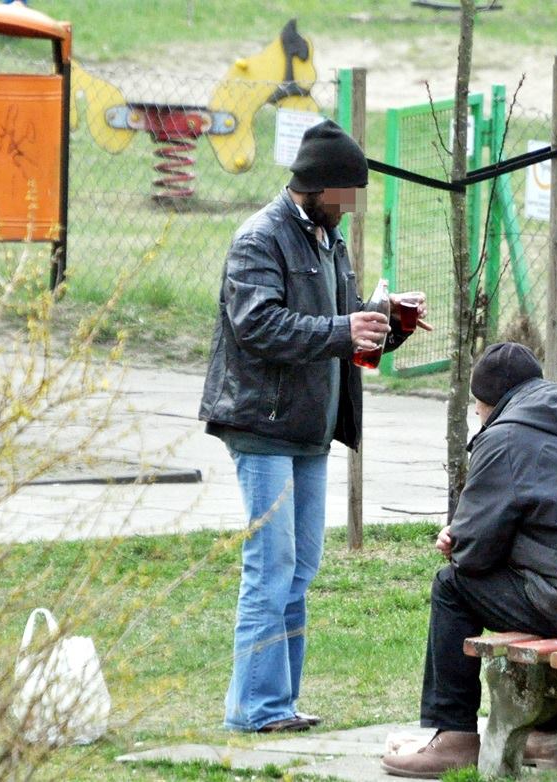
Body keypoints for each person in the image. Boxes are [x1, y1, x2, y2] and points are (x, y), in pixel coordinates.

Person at [199, 119, 427, 734]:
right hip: (262, 423)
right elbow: (258, 325)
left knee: (300, 571)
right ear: (319, 186)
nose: (352, 207)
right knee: (270, 568)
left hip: (310, 427)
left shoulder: (329, 239)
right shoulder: (259, 239)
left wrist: (387, 321)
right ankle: (255, 709)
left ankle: (280, 703)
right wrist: (342, 329)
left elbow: (343, 329)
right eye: (347, 194)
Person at [380, 343, 557, 778]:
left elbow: (473, 558)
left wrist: (458, 541)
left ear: (487, 402)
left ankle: (454, 736)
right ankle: (545, 736)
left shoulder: (504, 438)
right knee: (531, 581)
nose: (476, 413)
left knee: (451, 586)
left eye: (477, 405)